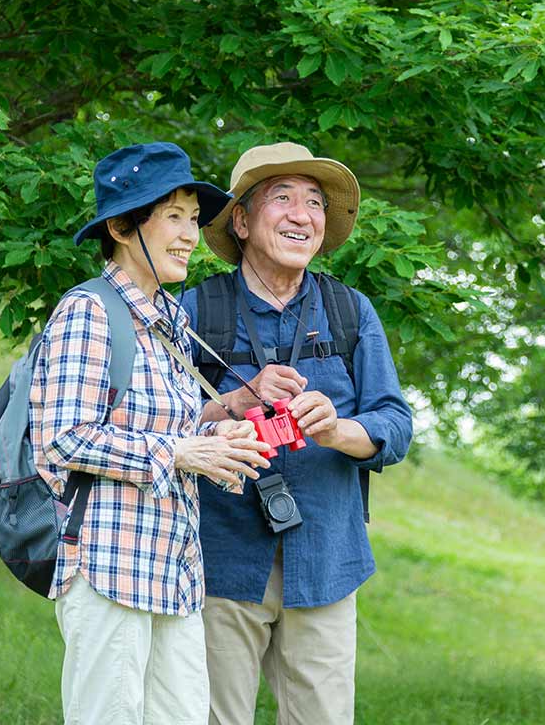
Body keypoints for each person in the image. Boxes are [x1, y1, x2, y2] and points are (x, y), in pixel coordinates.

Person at [31, 141, 273, 725]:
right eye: (172, 217)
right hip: (109, 564)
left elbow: (173, 429)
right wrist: (182, 450)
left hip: (176, 569)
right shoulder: (87, 311)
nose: (191, 234)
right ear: (120, 226)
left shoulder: (173, 318)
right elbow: (62, 438)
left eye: (193, 218)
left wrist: (221, 437)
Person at [183, 142, 413, 725]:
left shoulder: (349, 310)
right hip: (221, 556)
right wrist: (230, 405)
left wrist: (337, 430)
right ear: (240, 219)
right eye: (281, 197)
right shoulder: (193, 311)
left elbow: (395, 424)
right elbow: (158, 426)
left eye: (314, 203)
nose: (302, 214)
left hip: (328, 560)